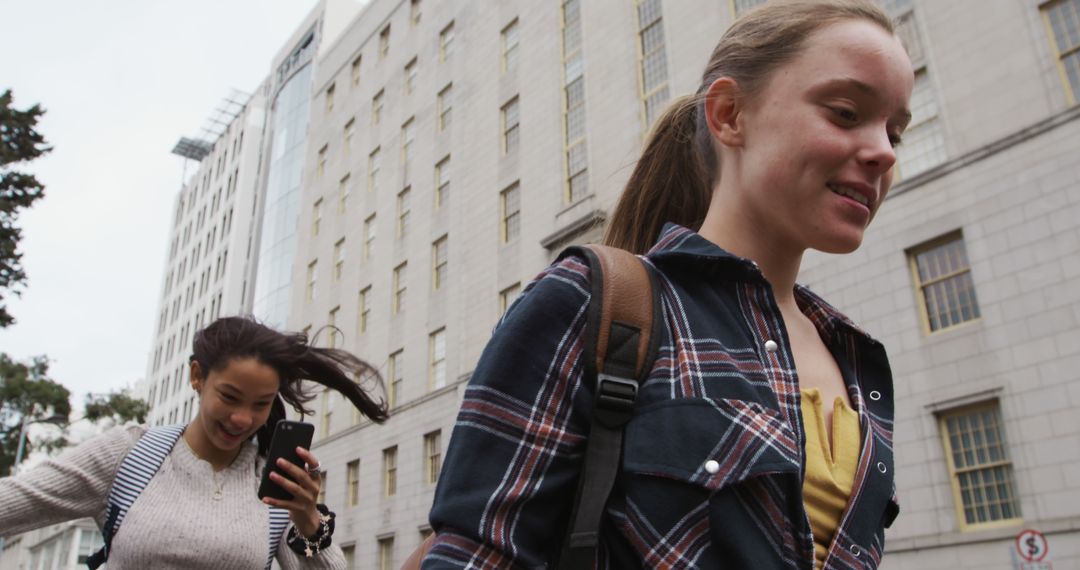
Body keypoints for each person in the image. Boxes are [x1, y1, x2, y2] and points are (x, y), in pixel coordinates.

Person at [424, 0, 913, 568]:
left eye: (895, 133)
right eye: (847, 112)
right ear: (729, 113)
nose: (882, 152)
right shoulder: (589, 303)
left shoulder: (857, 357)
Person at [0, 316, 388, 569]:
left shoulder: (274, 487)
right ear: (197, 376)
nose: (242, 419)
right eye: (230, 397)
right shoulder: (131, 455)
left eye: (261, 404)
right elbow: (13, 503)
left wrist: (308, 521)